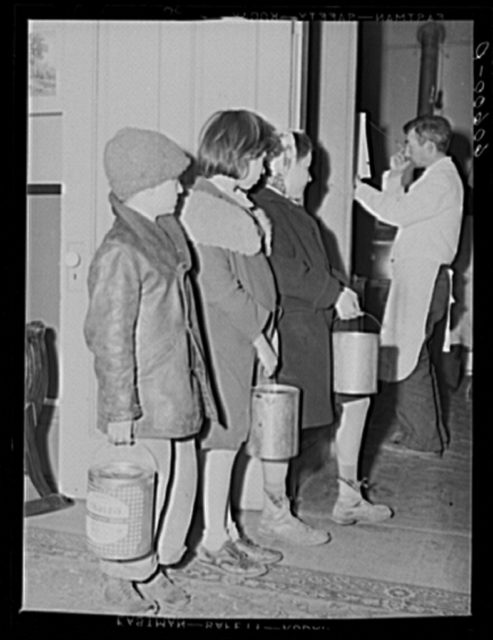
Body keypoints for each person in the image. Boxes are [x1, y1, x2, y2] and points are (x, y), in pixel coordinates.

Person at [181, 109, 331, 578]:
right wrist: (260, 338)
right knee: (225, 439)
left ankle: (226, 530)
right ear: (235, 156)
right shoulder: (208, 207)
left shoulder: (231, 202)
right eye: (259, 159)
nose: (266, 169)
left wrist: (261, 335)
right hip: (226, 338)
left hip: (241, 339)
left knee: (235, 434)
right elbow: (221, 289)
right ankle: (213, 540)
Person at [84, 127, 217, 614]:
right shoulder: (121, 251)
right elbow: (109, 339)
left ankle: (153, 565)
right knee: (137, 492)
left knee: (180, 485)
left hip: (175, 388)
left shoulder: (163, 234)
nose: (181, 188)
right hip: (143, 397)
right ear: (145, 184)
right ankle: (119, 574)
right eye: (173, 180)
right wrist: (120, 409)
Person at [251, 131, 393, 529]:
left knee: (357, 397)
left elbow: (316, 266)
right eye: (307, 168)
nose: (312, 178)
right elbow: (280, 270)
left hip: (319, 329)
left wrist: (342, 289)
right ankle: (275, 513)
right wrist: (333, 291)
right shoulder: (264, 210)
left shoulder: (291, 211)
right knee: (281, 420)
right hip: (294, 333)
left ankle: (349, 496)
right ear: (281, 166)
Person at [354, 115, 464, 455]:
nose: (406, 149)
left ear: (430, 146)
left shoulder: (441, 180)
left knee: (410, 356)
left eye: (411, 143)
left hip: (426, 278)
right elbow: (400, 207)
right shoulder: (435, 177)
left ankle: (425, 439)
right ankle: (422, 431)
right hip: (419, 277)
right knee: (407, 354)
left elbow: (397, 214)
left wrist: (356, 189)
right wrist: (395, 175)